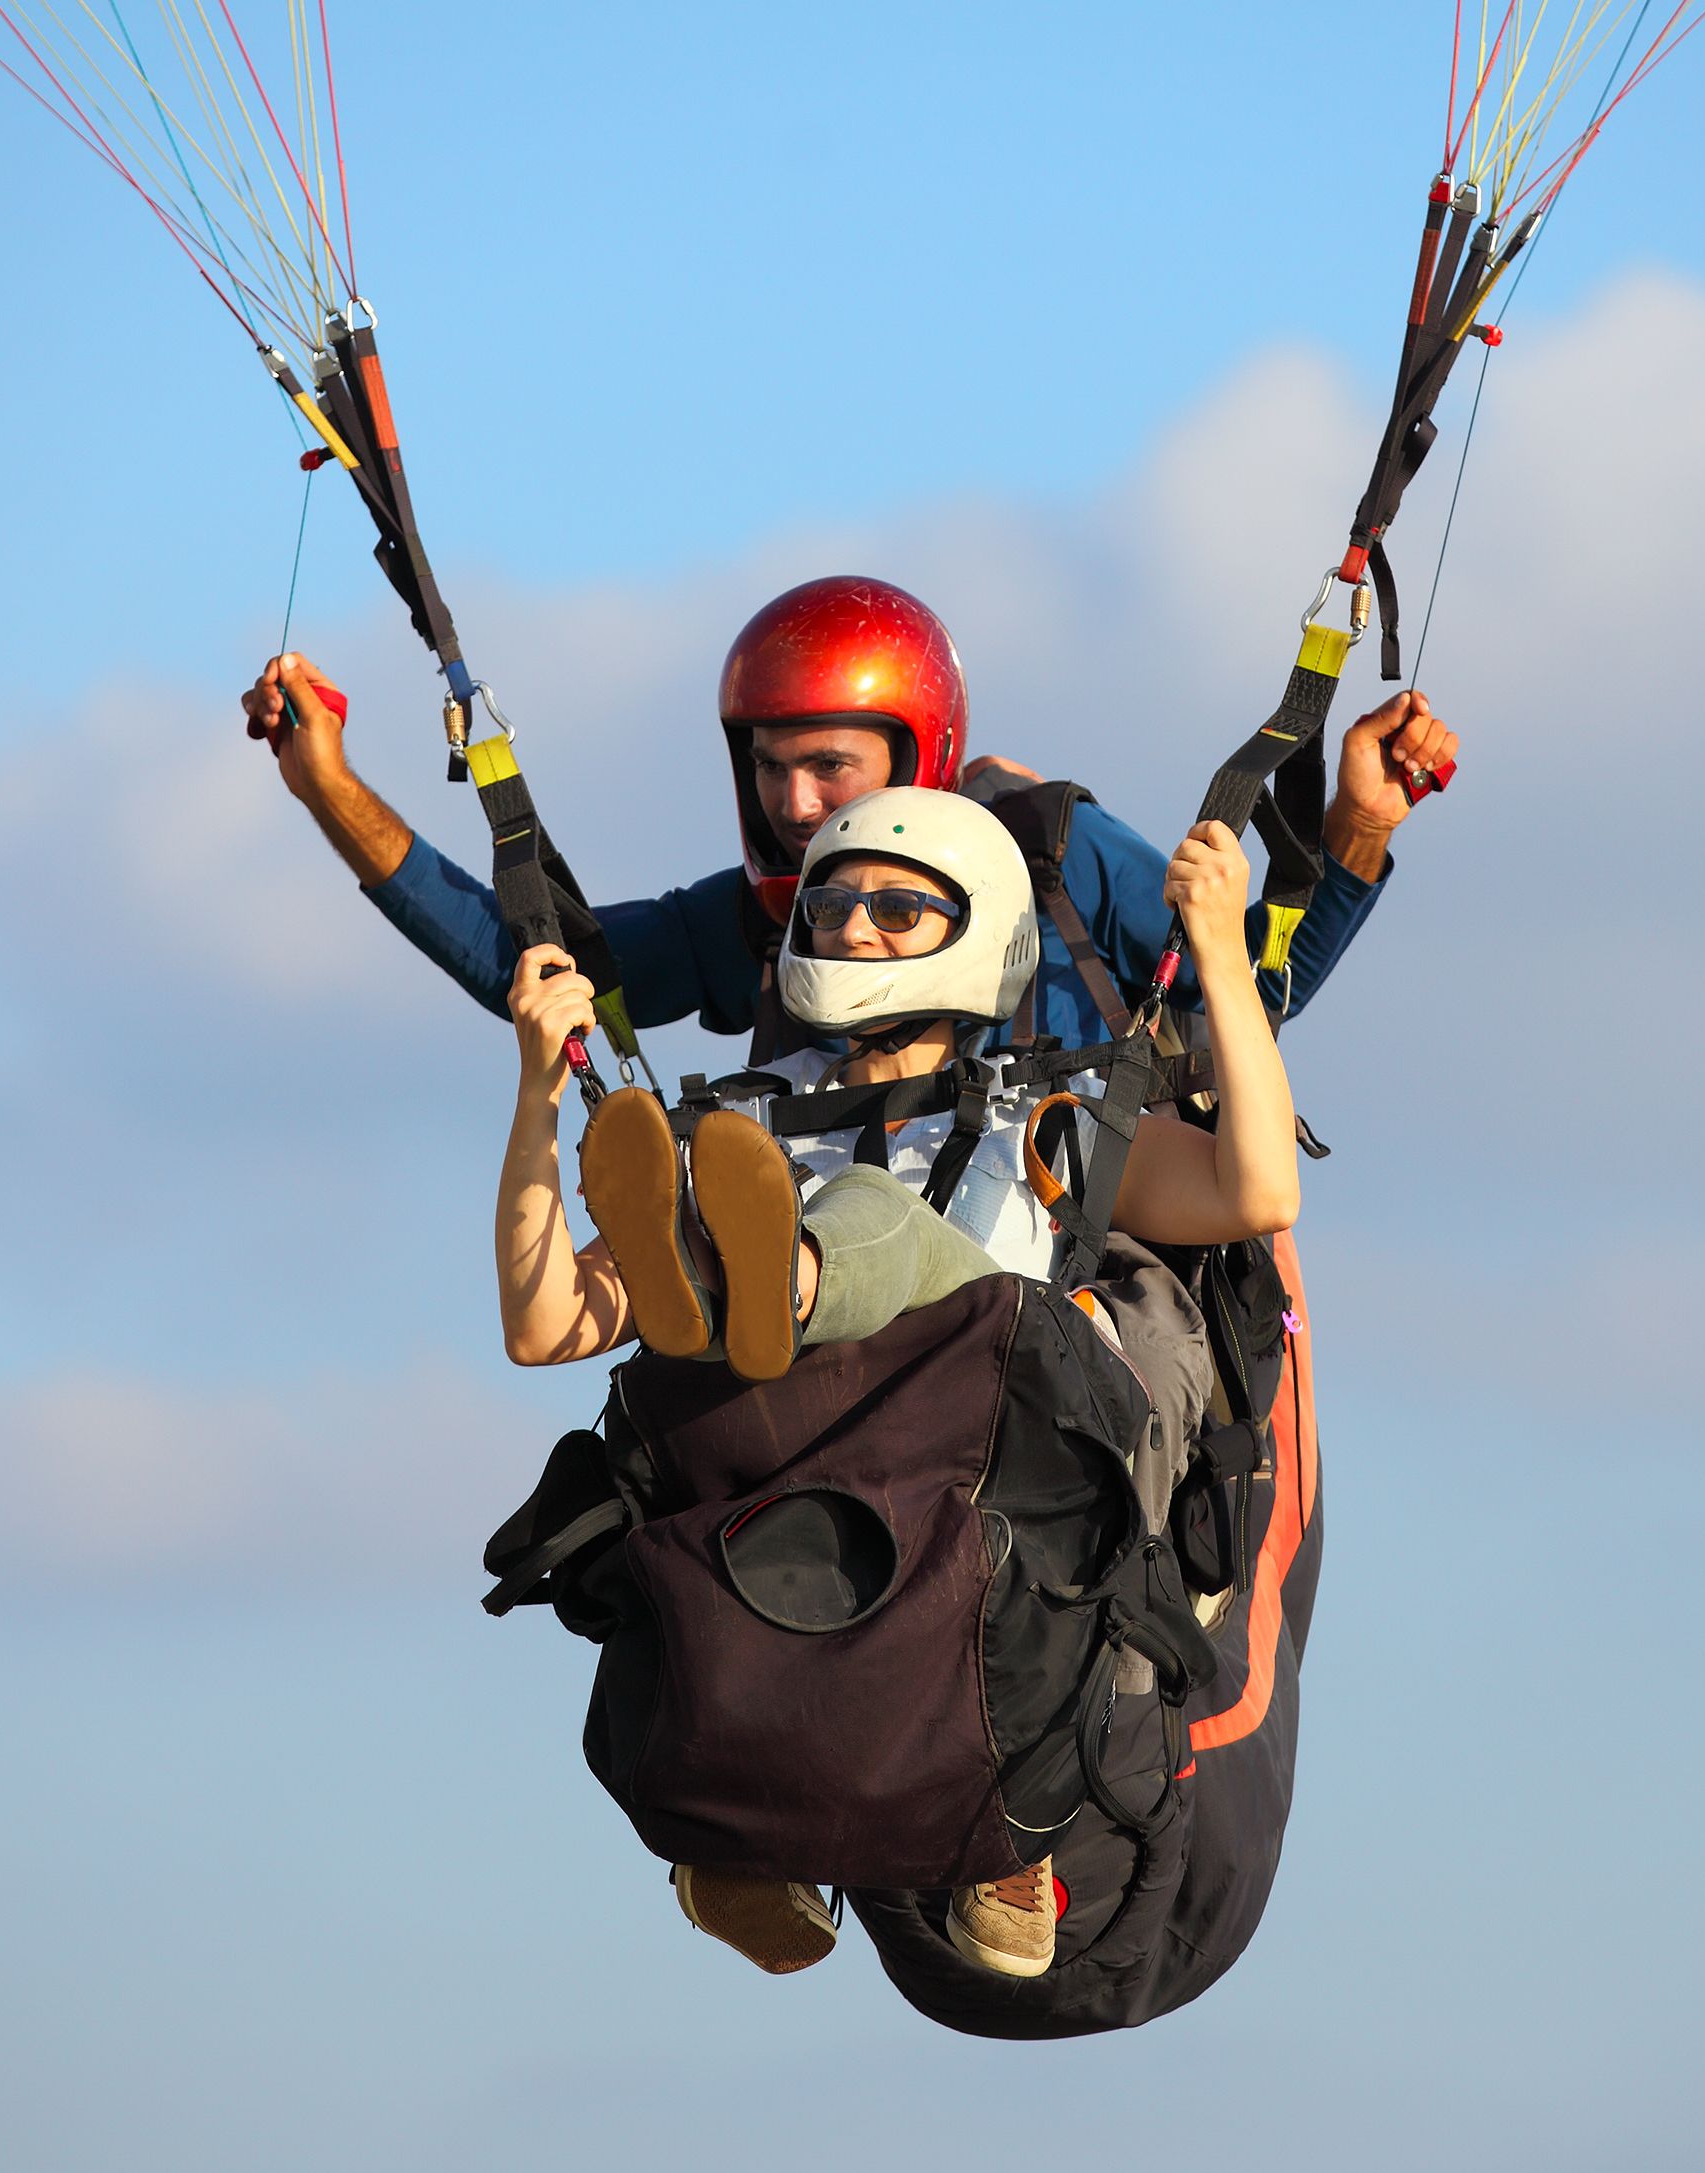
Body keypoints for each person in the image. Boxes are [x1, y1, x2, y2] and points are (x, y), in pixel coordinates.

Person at [489, 784, 1298, 1980]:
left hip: (1007, 1470)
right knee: (709, 1274)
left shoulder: (1053, 1116)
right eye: (832, 906)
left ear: (980, 933)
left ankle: (786, 1285)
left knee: (860, 1210)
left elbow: (1255, 1193)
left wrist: (1221, 959)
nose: (855, 930)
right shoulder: (750, 1128)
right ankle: (736, 1300)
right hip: (822, 1487)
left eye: (898, 909)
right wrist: (537, 1094)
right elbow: (546, 1319)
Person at [240, 575, 1457, 1051]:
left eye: (829, 765)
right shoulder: (760, 924)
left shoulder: (1058, 852)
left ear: (918, 749)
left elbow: (1254, 989)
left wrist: (1356, 829)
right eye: (770, 766)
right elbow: (541, 969)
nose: (794, 801)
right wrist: (329, 790)